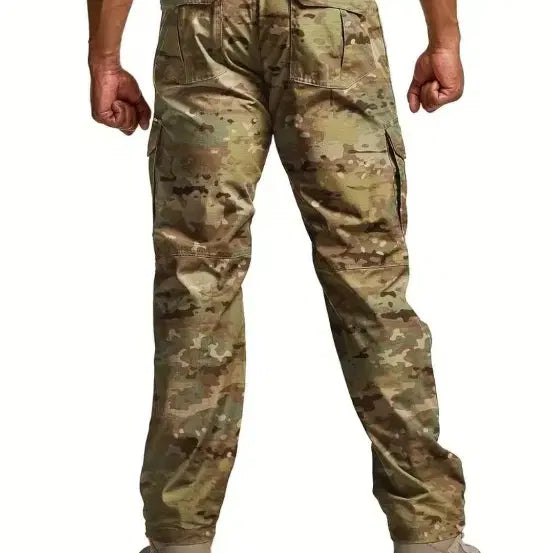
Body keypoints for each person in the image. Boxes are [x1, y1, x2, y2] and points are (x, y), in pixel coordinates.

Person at [88, 0, 480, 552]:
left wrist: (105, 58)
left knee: (196, 289)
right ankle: (429, 537)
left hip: (203, 34)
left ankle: (179, 540)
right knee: (368, 281)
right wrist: (444, 39)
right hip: (329, 29)